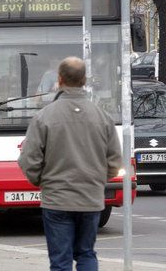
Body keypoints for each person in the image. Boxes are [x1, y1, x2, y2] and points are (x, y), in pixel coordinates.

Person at [17, 57, 121, 271]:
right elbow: (115, 162)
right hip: (90, 198)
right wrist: (96, 180)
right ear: (84, 80)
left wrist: (41, 181)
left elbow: (28, 159)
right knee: (86, 253)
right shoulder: (102, 117)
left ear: (59, 79)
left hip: (57, 199)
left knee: (60, 260)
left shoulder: (44, 117)